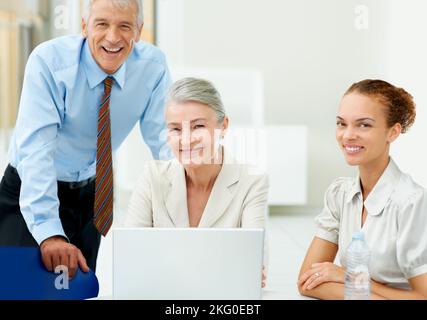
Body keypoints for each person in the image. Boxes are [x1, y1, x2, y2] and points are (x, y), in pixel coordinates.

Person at [0, 0, 171, 277]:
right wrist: (49, 233)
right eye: (101, 24)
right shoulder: (49, 63)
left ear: (139, 31)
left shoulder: (152, 67)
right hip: (31, 190)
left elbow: (167, 144)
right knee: (19, 288)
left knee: (74, 291)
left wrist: (195, 214)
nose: (113, 37)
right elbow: (36, 153)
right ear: (84, 26)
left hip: (92, 196)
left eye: (125, 26)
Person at [123, 77, 269, 286]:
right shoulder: (152, 177)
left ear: (223, 126)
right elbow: (130, 257)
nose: (186, 140)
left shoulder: (252, 183)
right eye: (175, 129)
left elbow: (254, 268)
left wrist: (164, 265)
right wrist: (225, 268)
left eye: (198, 126)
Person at [297, 79, 427, 299]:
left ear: (392, 133)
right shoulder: (340, 194)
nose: (347, 135)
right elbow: (307, 281)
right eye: (341, 123)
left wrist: (350, 279)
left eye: (364, 124)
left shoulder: (411, 202)